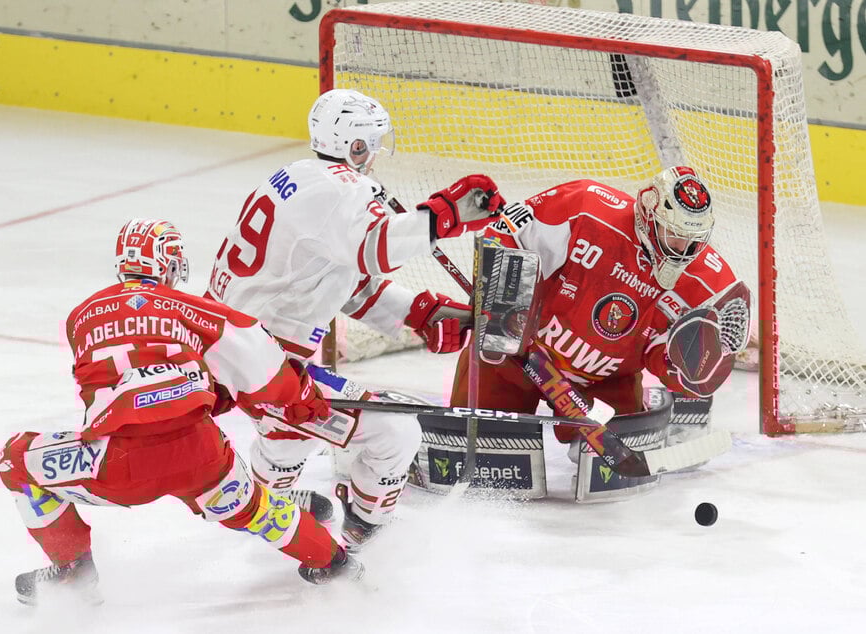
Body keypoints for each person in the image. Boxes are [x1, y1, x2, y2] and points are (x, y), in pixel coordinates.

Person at [0, 219, 361, 607]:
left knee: (14, 460)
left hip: (117, 463)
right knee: (256, 509)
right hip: (200, 453)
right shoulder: (195, 308)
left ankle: (73, 571)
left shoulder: (80, 317)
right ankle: (336, 564)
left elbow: (126, 380)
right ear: (170, 264)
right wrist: (298, 394)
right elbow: (261, 360)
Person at [204, 88, 505, 549]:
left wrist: (417, 312)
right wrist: (445, 214)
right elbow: (378, 249)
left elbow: (339, 279)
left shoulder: (298, 176)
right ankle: (362, 533)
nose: (377, 153)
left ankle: (263, 504)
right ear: (354, 146)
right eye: (372, 143)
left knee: (291, 433)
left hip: (231, 347)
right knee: (396, 432)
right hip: (266, 365)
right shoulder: (342, 189)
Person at [450, 166, 750, 445]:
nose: (683, 249)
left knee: (611, 465)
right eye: (673, 233)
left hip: (605, 382)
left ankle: (657, 409)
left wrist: (689, 370)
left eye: (693, 238)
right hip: (518, 359)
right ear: (648, 213)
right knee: (479, 443)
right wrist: (504, 305)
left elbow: (670, 357)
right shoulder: (585, 209)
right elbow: (506, 233)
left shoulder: (709, 282)